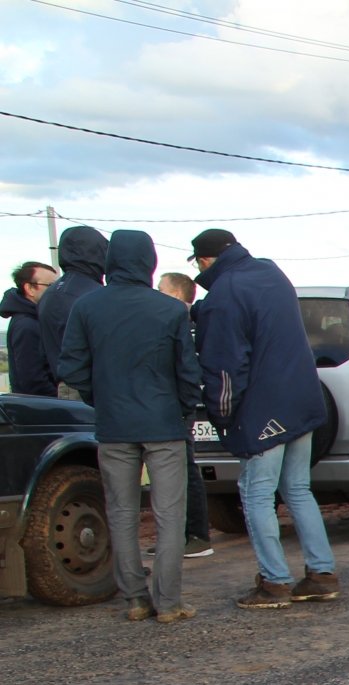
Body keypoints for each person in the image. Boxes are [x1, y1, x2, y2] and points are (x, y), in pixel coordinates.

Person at [55, 230, 201, 621]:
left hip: (114, 424)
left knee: (121, 512)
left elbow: (70, 367)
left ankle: (135, 599)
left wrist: (100, 398)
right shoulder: (170, 311)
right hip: (164, 423)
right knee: (170, 514)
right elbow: (188, 374)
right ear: (149, 262)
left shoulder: (87, 307)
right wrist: (181, 409)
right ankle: (169, 603)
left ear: (110, 261)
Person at [190, 227, 336, 608]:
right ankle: (322, 573)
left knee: (256, 492)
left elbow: (224, 365)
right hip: (302, 399)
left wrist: (222, 414)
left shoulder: (223, 294)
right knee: (298, 489)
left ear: (205, 261)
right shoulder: (272, 273)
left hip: (261, 408)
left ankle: (274, 582)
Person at [156, 270, 213, 558]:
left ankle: (196, 535)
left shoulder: (183, 322)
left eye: (161, 288)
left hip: (181, 406)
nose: (156, 293)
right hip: (177, 405)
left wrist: (185, 404)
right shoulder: (179, 321)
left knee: (185, 469)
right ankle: (176, 536)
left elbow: (186, 369)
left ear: (177, 295)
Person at [39, 226, 106, 398]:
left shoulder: (53, 292)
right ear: (95, 253)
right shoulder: (89, 293)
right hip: (86, 387)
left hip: (67, 382)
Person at [4, 261, 57, 396]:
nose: (56, 290)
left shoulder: (35, 319)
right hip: (41, 409)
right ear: (30, 289)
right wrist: (61, 399)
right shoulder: (26, 325)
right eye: (51, 285)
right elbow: (32, 380)